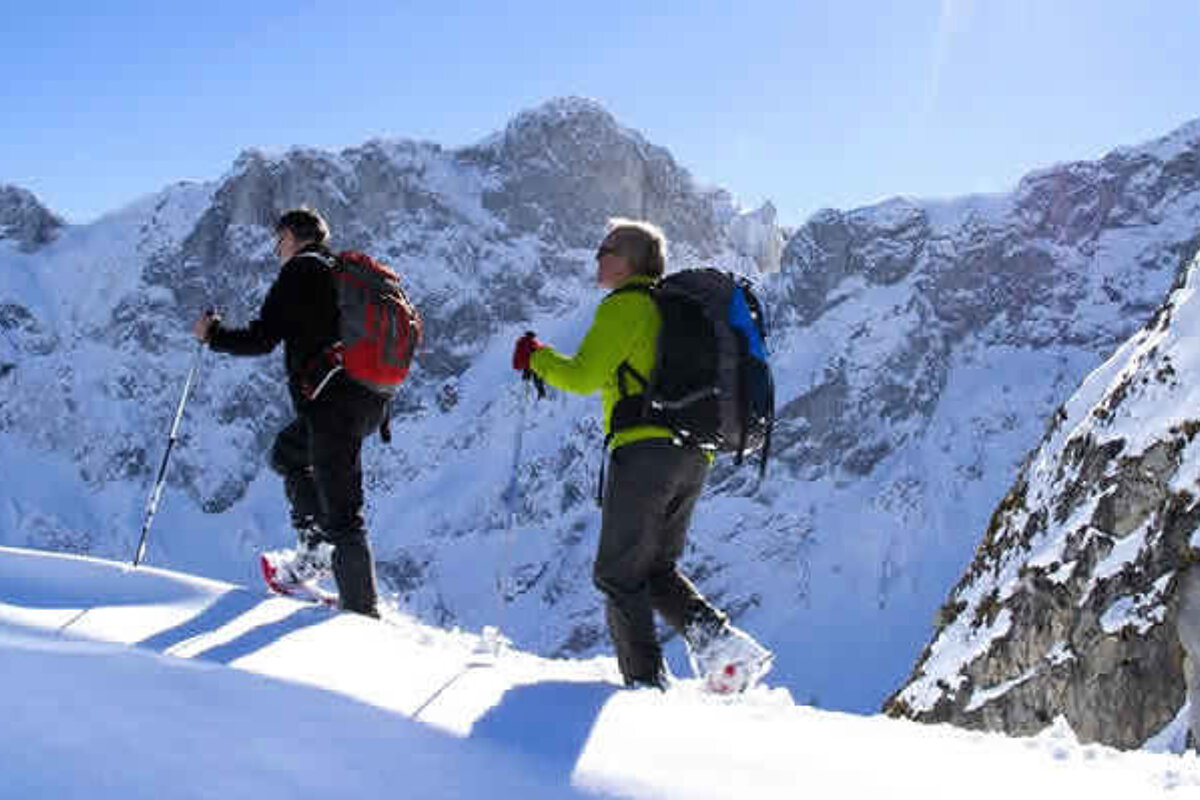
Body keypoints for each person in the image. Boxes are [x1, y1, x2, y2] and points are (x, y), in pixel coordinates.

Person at [511, 218, 770, 691]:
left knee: (616, 573)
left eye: (605, 249)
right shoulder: (669, 309)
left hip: (646, 453)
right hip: (694, 454)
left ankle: (646, 686)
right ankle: (722, 645)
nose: (597, 257)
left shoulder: (626, 307)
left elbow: (584, 376)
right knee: (655, 570)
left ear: (629, 261)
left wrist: (537, 358)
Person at [193, 207, 387, 617]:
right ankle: (315, 546)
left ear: (292, 236)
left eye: (277, 239)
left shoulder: (301, 271)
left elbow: (262, 338)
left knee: (345, 515)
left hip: (335, 405)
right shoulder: (340, 272)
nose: (274, 248)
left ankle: (361, 617)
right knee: (288, 453)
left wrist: (213, 335)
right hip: (367, 399)